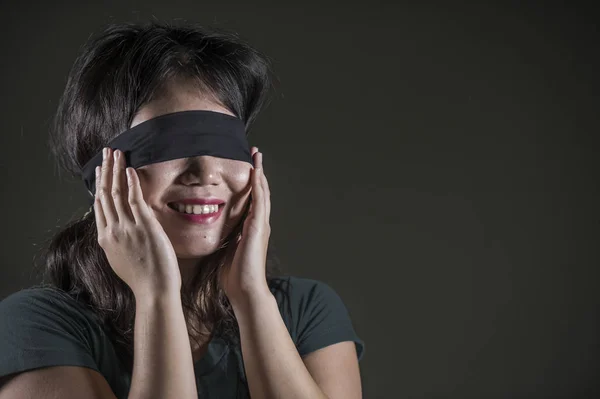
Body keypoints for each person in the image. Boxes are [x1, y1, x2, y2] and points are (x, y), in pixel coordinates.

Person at [0, 20, 364, 399]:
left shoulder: (307, 312)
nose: (205, 172)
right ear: (102, 176)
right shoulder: (34, 327)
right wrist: (157, 295)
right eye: (167, 145)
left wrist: (252, 297)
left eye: (226, 145)